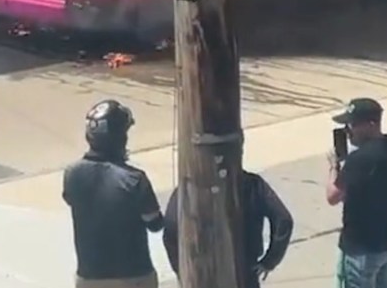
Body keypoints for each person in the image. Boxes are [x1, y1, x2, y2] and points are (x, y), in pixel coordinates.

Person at [63, 99, 164, 288]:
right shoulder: (135, 179)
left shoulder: (72, 174)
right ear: (120, 137)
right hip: (134, 277)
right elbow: (155, 224)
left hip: (88, 278)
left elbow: (72, 200)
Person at [162, 168, 293, 288]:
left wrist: (182, 271)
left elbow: (169, 233)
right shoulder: (253, 184)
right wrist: (270, 261)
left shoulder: (189, 188)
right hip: (244, 272)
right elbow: (283, 219)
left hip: (204, 275)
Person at [326, 98, 387, 288]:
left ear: (371, 124)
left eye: (353, 124)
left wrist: (334, 166)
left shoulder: (359, 160)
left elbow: (333, 196)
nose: (348, 130)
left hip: (362, 248)